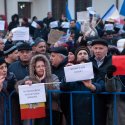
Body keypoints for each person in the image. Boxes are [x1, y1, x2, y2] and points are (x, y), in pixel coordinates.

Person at [60, 46, 105, 125]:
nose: (82, 55)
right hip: (76, 113)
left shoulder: (96, 71)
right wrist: (67, 75)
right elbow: (63, 87)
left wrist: (92, 86)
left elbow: (102, 86)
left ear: (89, 57)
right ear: (76, 58)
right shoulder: (71, 71)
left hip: (93, 113)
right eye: (80, 54)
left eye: (85, 53)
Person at [17, 54, 62, 125]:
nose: (41, 68)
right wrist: (24, 84)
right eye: (38, 66)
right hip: (33, 111)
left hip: (50, 110)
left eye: (43, 66)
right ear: (34, 68)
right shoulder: (28, 78)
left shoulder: (53, 77)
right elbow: (19, 89)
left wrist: (42, 83)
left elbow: (57, 93)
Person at [90, 38, 112, 125]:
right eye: (95, 48)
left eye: (101, 48)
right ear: (92, 49)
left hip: (108, 99)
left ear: (106, 49)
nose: (98, 51)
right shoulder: (88, 62)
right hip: (93, 98)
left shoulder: (112, 61)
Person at [0, 57, 21, 125]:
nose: (4, 70)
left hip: (12, 109)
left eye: (5, 67)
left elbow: (17, 88)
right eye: (1, 68)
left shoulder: (11, 76)